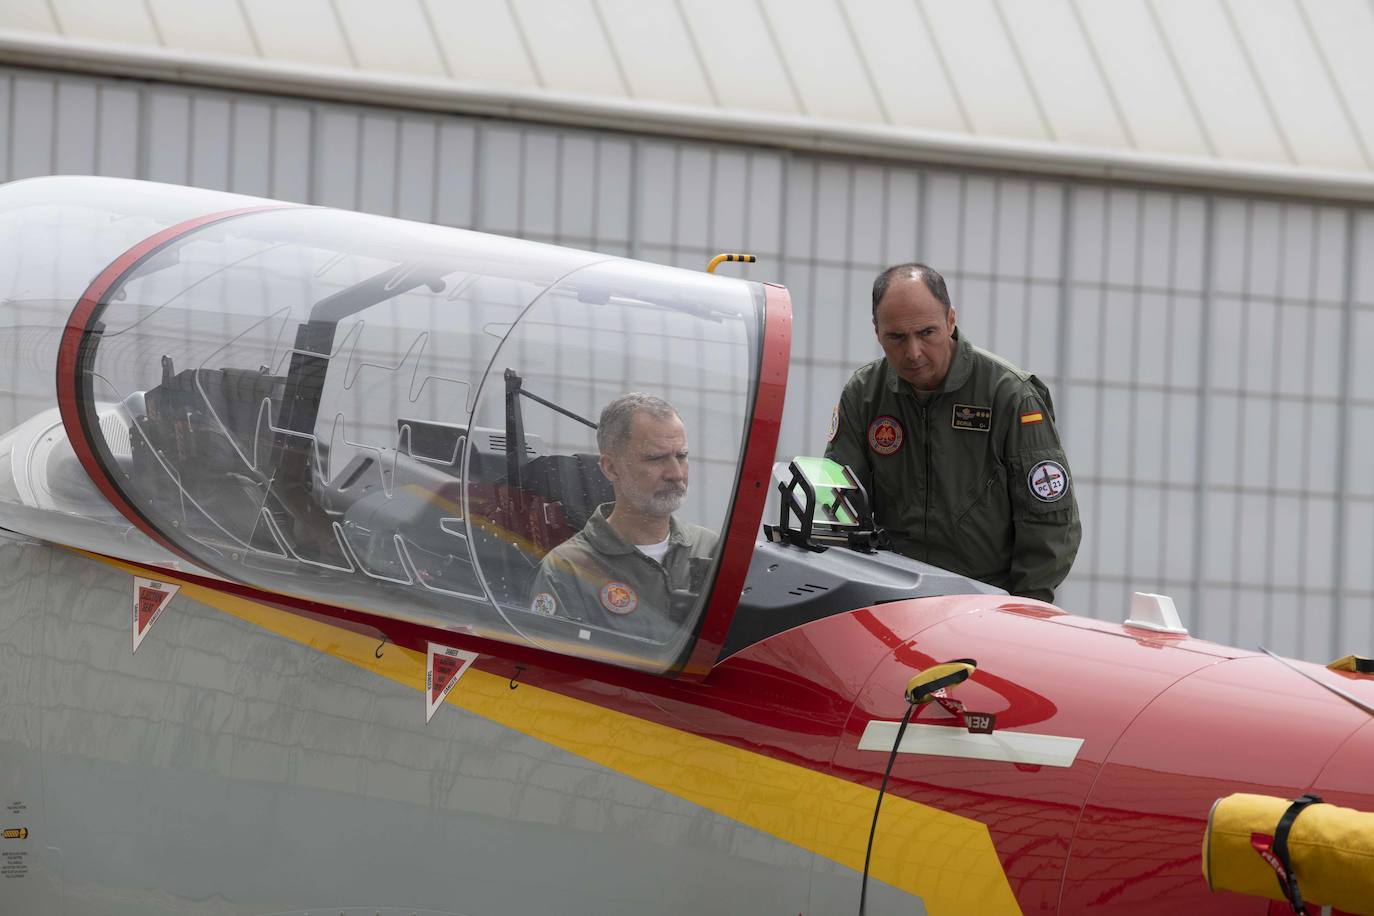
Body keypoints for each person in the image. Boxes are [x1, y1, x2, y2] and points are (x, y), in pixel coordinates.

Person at [824, 263, 1080, 602]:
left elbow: (1049, 521)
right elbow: (837, 507)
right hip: (890, 599)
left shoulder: (1010, 397)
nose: (913, 352)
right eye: (896, 337)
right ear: (876, 331)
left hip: (984, 604)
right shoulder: (864, 395)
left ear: (951, 320)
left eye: (927, 333)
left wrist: (1022, 610)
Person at [528, 393, 717, 641]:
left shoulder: (713, 549)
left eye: (681, 456)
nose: (675, 473)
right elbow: (554, 673)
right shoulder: (567, 571)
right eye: (655, 458)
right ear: (610, 468)